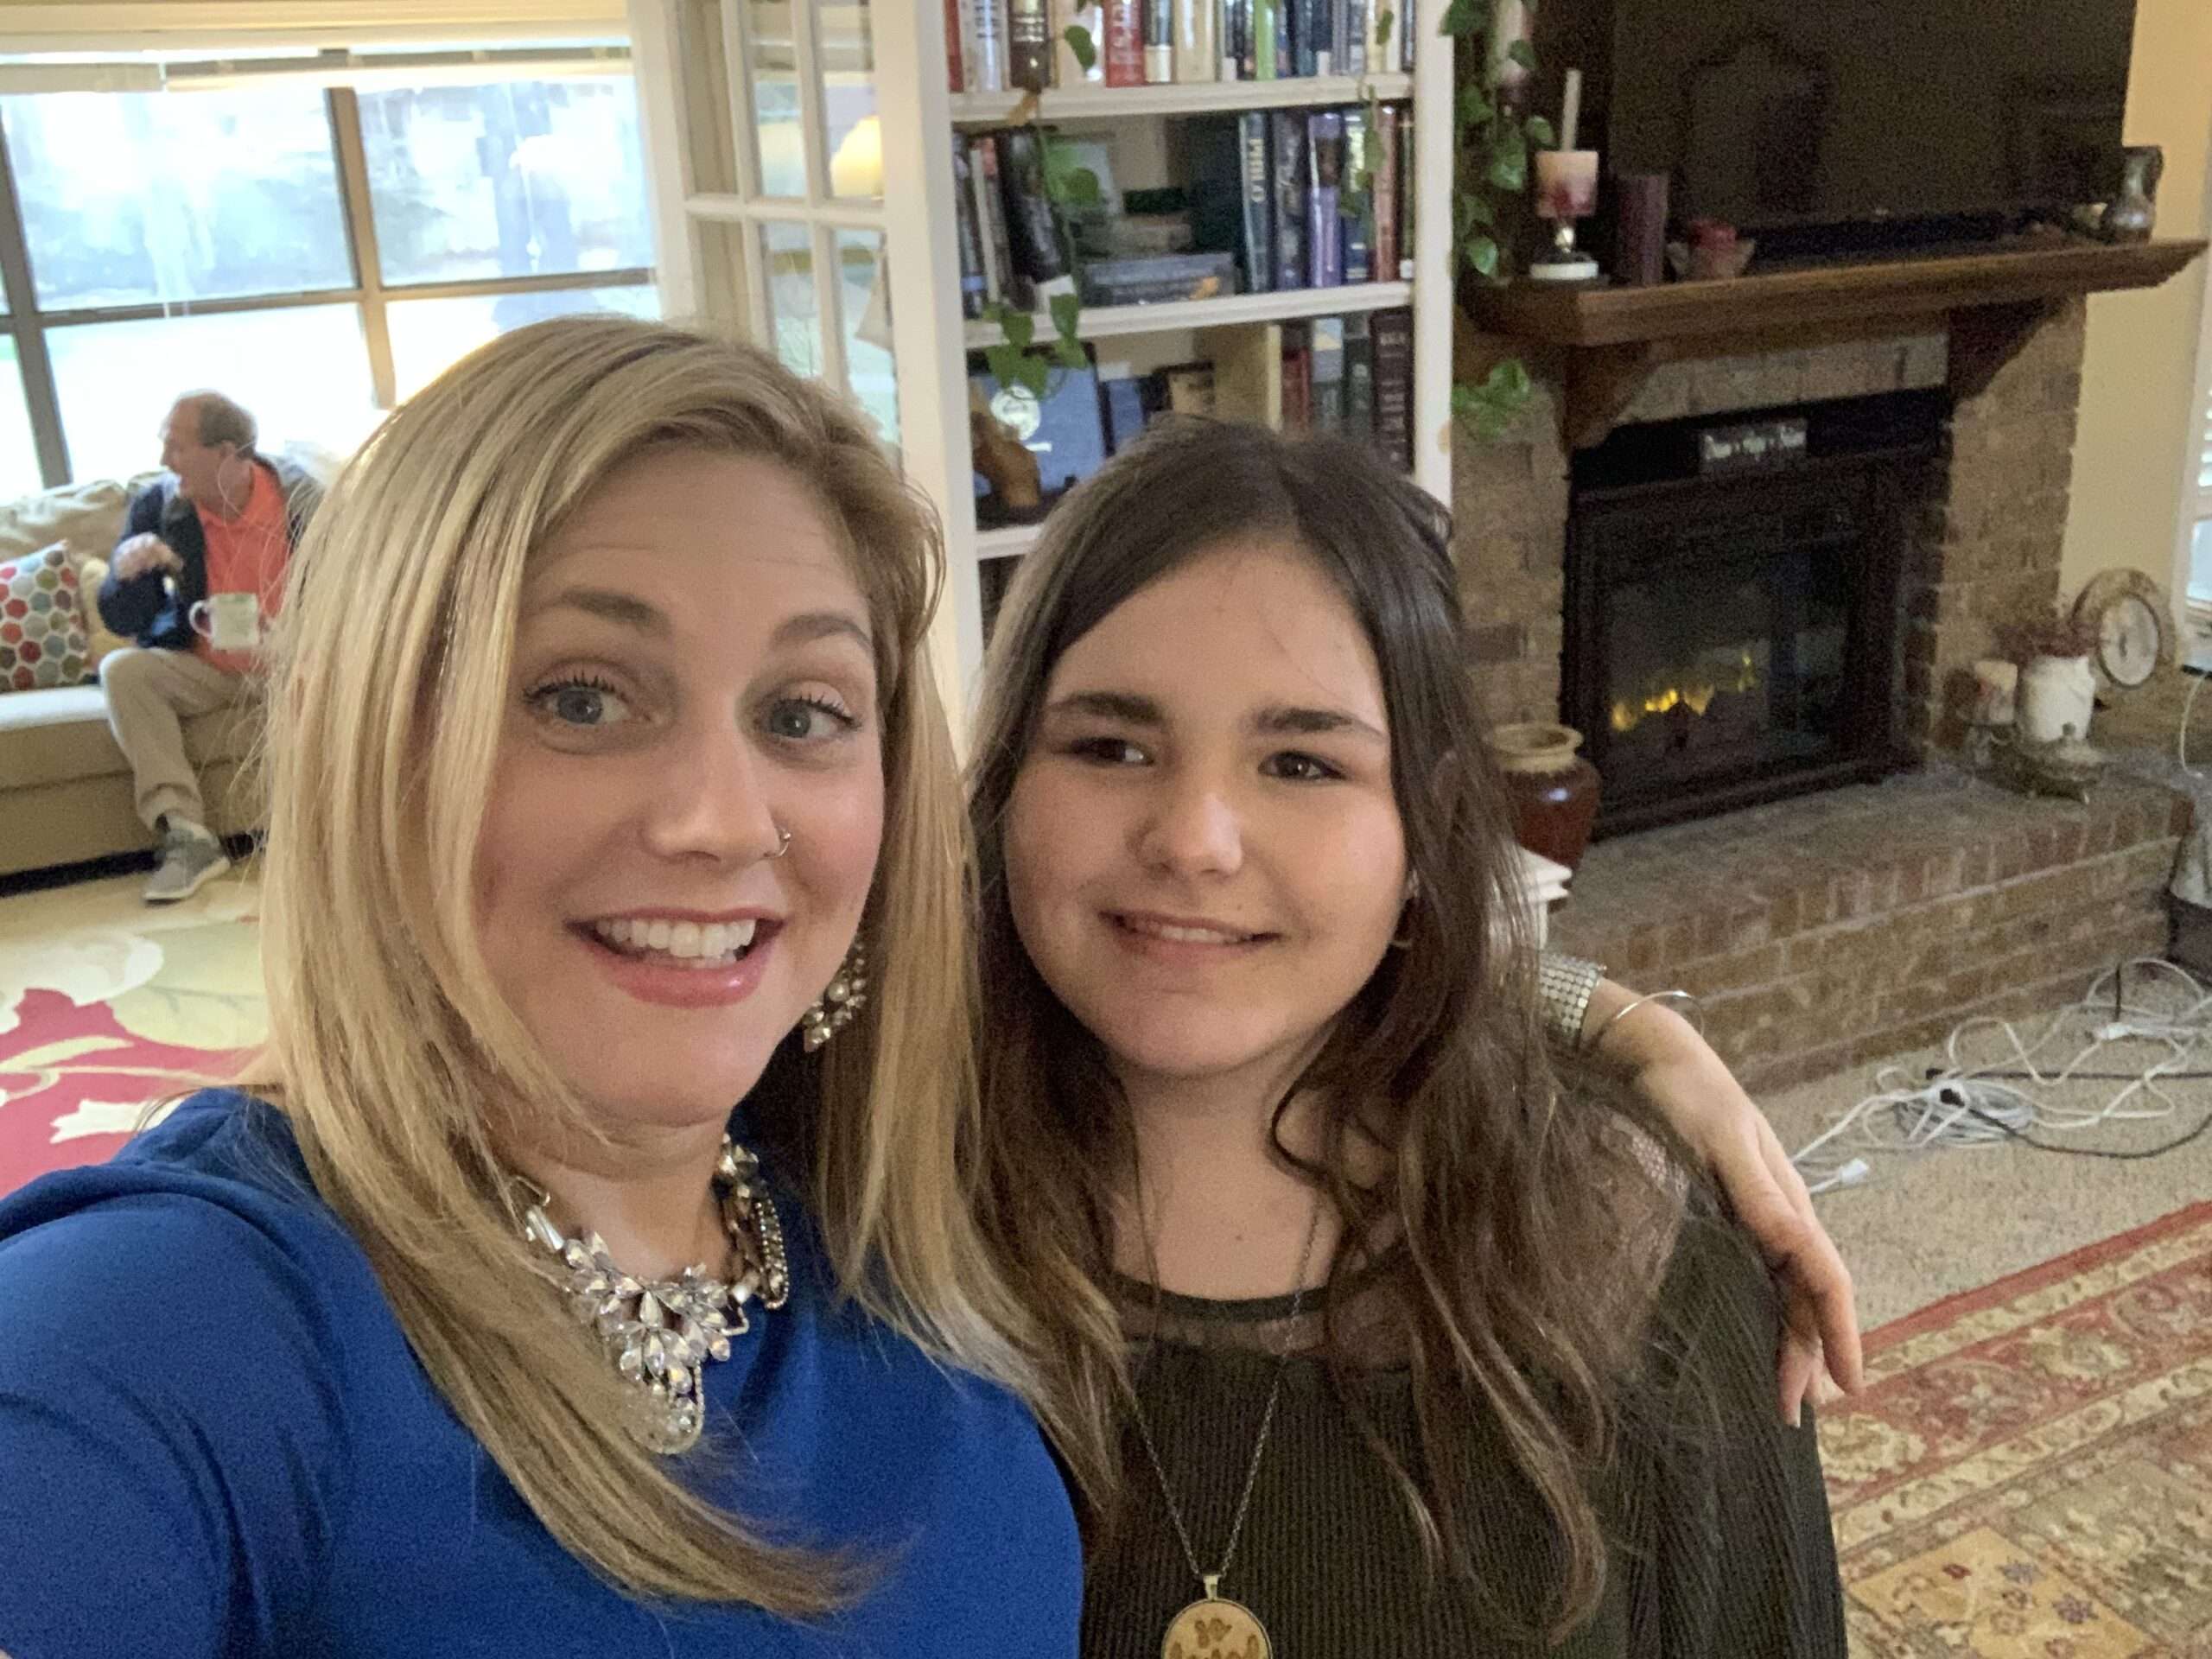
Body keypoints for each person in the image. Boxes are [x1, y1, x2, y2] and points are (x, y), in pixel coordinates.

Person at [0, 321, 1077, 1654]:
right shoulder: (169, 1328)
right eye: (581, 699)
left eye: (803, 714)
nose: (723, 820)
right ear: (363, 745)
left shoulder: (888, 1215)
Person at [967, 420, 1848, 1656]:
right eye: (1110, 747)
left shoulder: (1625, 1244)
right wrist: (1612, 1012)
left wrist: (1613, 1023)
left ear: (1425, 830)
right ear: (1004, 783)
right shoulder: (853, 1203)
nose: (1195, 840)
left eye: (1299, 763)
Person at [95, 391, 324, 902]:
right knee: (123, 670)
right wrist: (127, 573)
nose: (164, 460)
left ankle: (333, 829)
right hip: (206, 667)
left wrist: (294, 635)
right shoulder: (160, 507)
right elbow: (122, 618)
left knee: (345, 674)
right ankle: (187, 836)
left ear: (226, 453)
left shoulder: (302, 501)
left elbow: (355, 588)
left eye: (177, 447)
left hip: (293, 661)